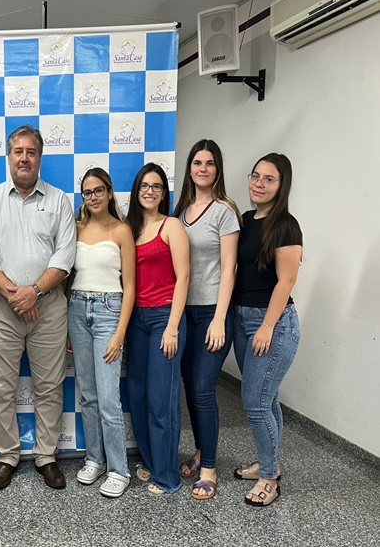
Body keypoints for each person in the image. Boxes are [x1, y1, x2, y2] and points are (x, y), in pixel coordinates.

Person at [0, 125, 76, 490]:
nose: (24, 157)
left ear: (40, 157)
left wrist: (34, 292)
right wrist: (18, 296)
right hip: (3, 311)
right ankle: (7, 455)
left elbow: (65, 255)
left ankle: (46, 456)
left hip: (49, 311)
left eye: (31, 151)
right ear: (8, 156)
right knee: (0, 388)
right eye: (17, 151)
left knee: (49, 386)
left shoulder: (61, 200)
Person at [232, 153, 302, 507]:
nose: (258, 184)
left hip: (271, 323)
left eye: (268, 179)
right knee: (266, 399)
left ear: (281, 185)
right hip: (243, 319)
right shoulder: (246, 219)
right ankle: (269, 460)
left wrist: (267, 326)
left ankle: (269, 478)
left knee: (254, 403)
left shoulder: (286, 225)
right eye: (255, 176)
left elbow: (286, 280)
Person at [173, 140, 240, 500]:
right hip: (185, 314)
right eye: (197, 162)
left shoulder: (224, 211)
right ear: (189, 169)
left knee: (202, 388)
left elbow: (229, 268)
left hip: (213, 312)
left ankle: (210, 467)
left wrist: (219, 318)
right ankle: (200, 452)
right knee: (190, 388)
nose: (202, 168)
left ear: (218, 170)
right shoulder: (181, 211)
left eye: (209, 163)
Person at [67, 168, 135, 498]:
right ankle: (94, 459)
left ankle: (119, 469)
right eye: (87, 192)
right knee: (88, 395)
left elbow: (131, 286)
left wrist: (120, 333)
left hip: (110, 312)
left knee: (109, 399)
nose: (92, 197)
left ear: (109, 192)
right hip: (78, 310)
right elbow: (68, 278)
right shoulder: (76, 229)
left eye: (98, 191)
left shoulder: (122, 230)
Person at [125, 162, 190, 495]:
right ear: (137, 192)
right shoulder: (130, 229)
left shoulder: (172, 226)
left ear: (164, 193)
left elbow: (184, 278)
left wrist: (173, 327)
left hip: (164, 319)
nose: (149, 191)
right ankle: (151, 463)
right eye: (144, 186)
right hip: (136, 320)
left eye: (156, 186)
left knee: (161, 401)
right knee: (137, 396)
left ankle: (168, 477)